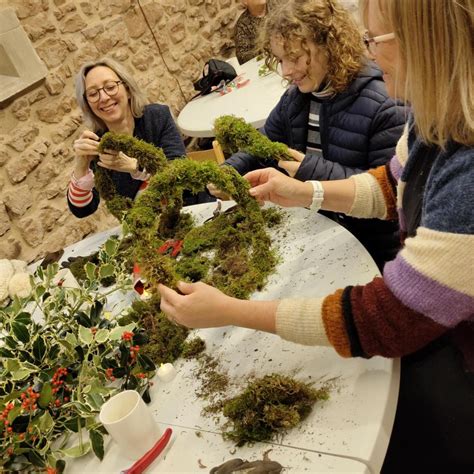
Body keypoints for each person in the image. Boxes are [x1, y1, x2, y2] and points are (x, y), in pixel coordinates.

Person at [159, 0, 474, 471]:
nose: (369, 53)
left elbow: (385, 317)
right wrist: (307, 191)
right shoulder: (436, 117)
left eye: (375, 41)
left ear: (426, 42)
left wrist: (229, 311)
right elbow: (393, 184)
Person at [223, 0, 407, 268]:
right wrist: (229, 170)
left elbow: (389, 193)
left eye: (295, 58)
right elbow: (262, 143)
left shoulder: (384, 105)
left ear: (328, 46)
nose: (285, 71)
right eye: (280, 59)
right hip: (317, 231)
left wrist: (310, 170)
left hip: (370, 250)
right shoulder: (296, 99)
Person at [68, 58, 210, 218]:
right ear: (88, 105)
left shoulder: (156, 117)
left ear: (127, 90)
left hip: (192, 210)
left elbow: (180, 173)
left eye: (110, 87)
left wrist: (136, 167)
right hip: (146, 229)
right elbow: (83, 210)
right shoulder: (98, 144)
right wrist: (81, 165)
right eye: (93, 94)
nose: (104, 97)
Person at [234, 0, 272, 65]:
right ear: (245, 1)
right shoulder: (242, 25)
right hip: (265, 65)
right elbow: (243, 57)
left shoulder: (278, 7)